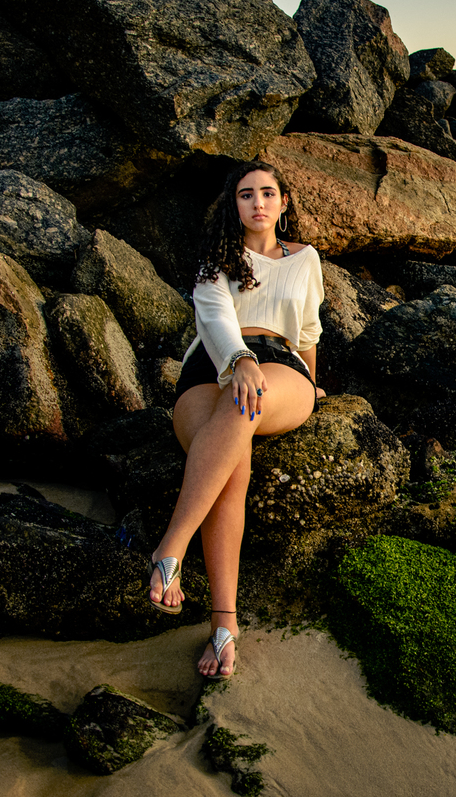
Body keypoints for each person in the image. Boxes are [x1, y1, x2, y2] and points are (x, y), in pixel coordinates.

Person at [147, 160, 326, 680]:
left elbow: (309, 329)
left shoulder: (306, 259)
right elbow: (214, 315)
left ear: (284, 202)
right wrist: (237, 361)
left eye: (268, 193)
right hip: (211, 363)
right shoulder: (217, 256)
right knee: (233, 460)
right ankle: (225, 625)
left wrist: (312, 381)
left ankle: (169, 548)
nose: (258, 203)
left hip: (280, 362)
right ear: (235, 205)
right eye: (246, 195)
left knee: (247, 403)